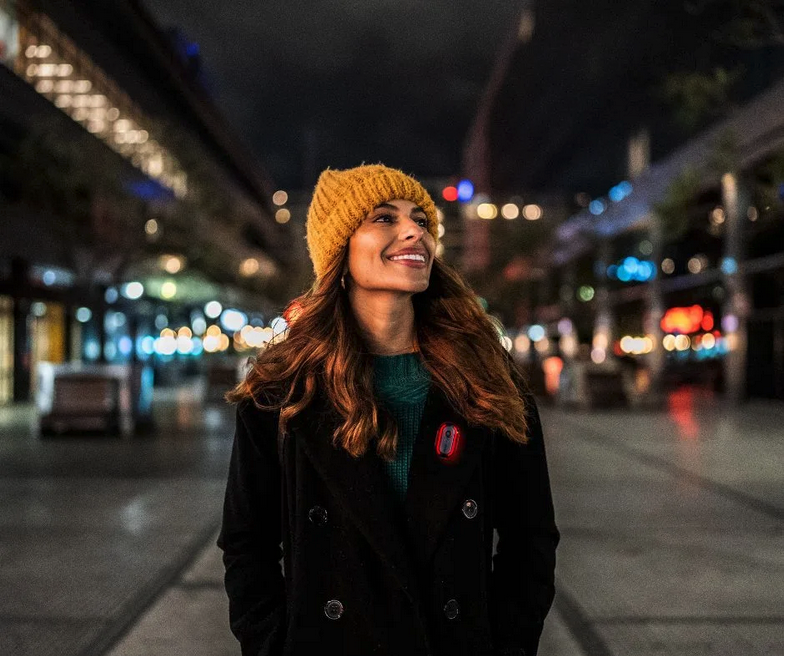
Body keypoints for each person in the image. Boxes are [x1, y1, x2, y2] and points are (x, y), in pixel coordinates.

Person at [217, 164, 560, 656]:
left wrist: (506, 644)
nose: (413, 230)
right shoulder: (282, 392)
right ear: (340, 250)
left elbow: (531, 539)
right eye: (383, 218)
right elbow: (247, 543)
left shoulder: (487, 381)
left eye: (421, 219)